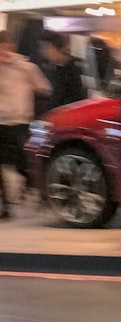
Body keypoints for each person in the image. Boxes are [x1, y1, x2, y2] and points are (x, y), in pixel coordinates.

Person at [0, 30, 51, 219]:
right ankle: (5, 205)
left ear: (9, 47)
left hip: (21, 122)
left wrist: (35, 110)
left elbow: (44, 89)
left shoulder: (25, 67)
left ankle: (34, 188)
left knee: (25, 162)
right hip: (1, 122)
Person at [39, 31, 87, 111]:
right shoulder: (58, 69)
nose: (45, 53)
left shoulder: (71, 71)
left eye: (47, 48)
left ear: (54, 48)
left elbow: (71, 98)